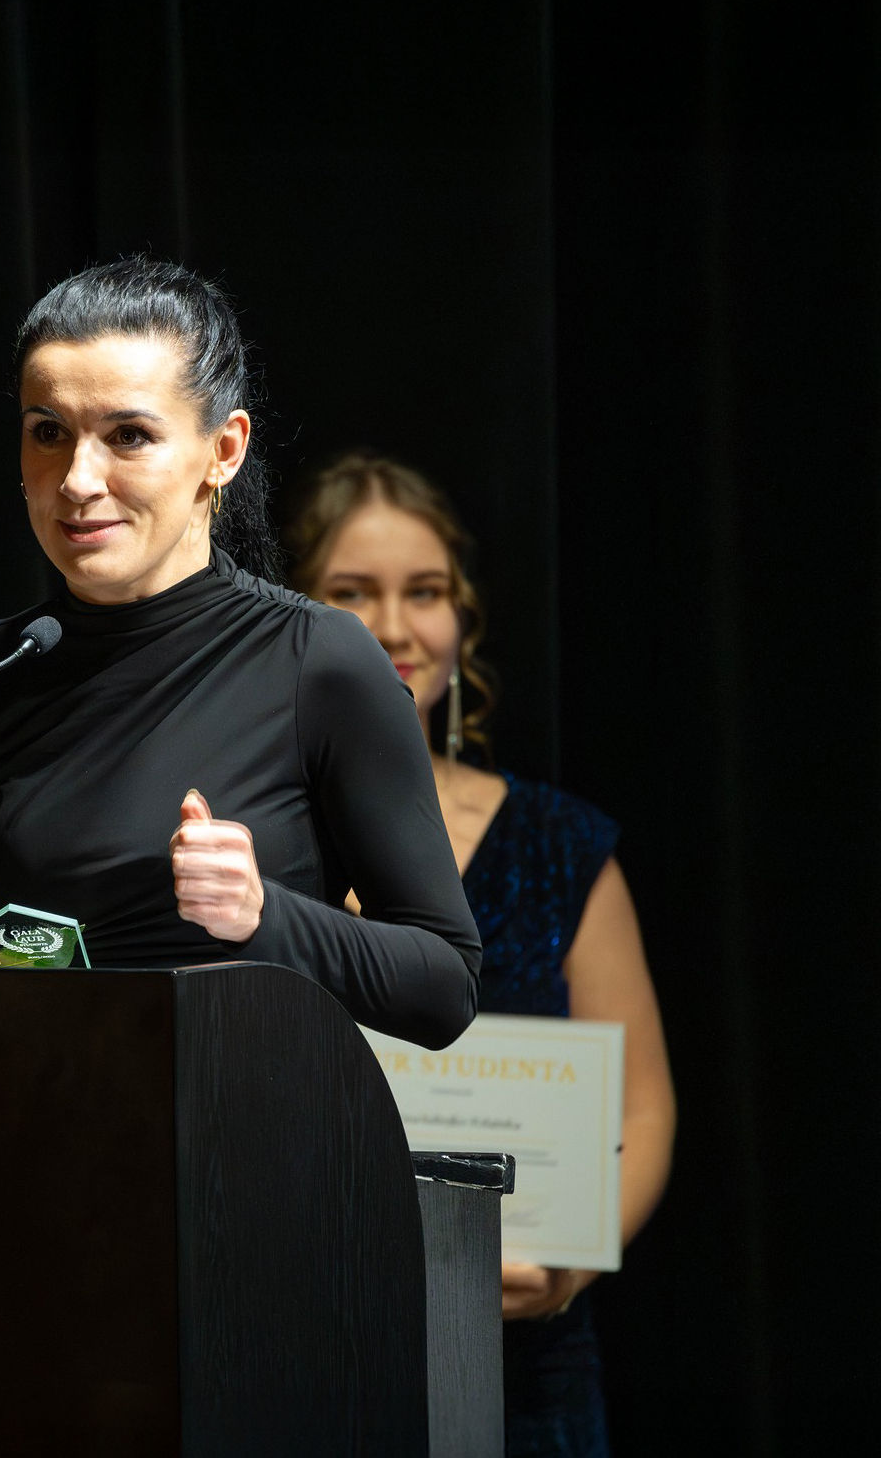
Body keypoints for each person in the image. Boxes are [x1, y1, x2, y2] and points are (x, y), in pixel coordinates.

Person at [0, 258, 481, 1049]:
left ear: (224, 449)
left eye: (129, 436)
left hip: (240, 1120)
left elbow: (445, 987)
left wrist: (264, 914)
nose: (77, 479)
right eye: (49, 432)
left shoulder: (317, 662)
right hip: (39, 1117)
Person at [288, 452, 677, 1458]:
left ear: (461, 619)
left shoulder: (560, 844)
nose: (393, 626)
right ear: (299, 616)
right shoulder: (247, 850)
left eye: (424, 592)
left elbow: (644, 1107)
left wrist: (575, 1257)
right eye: (352, 592)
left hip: (528, 1372)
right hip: (305, 1352)